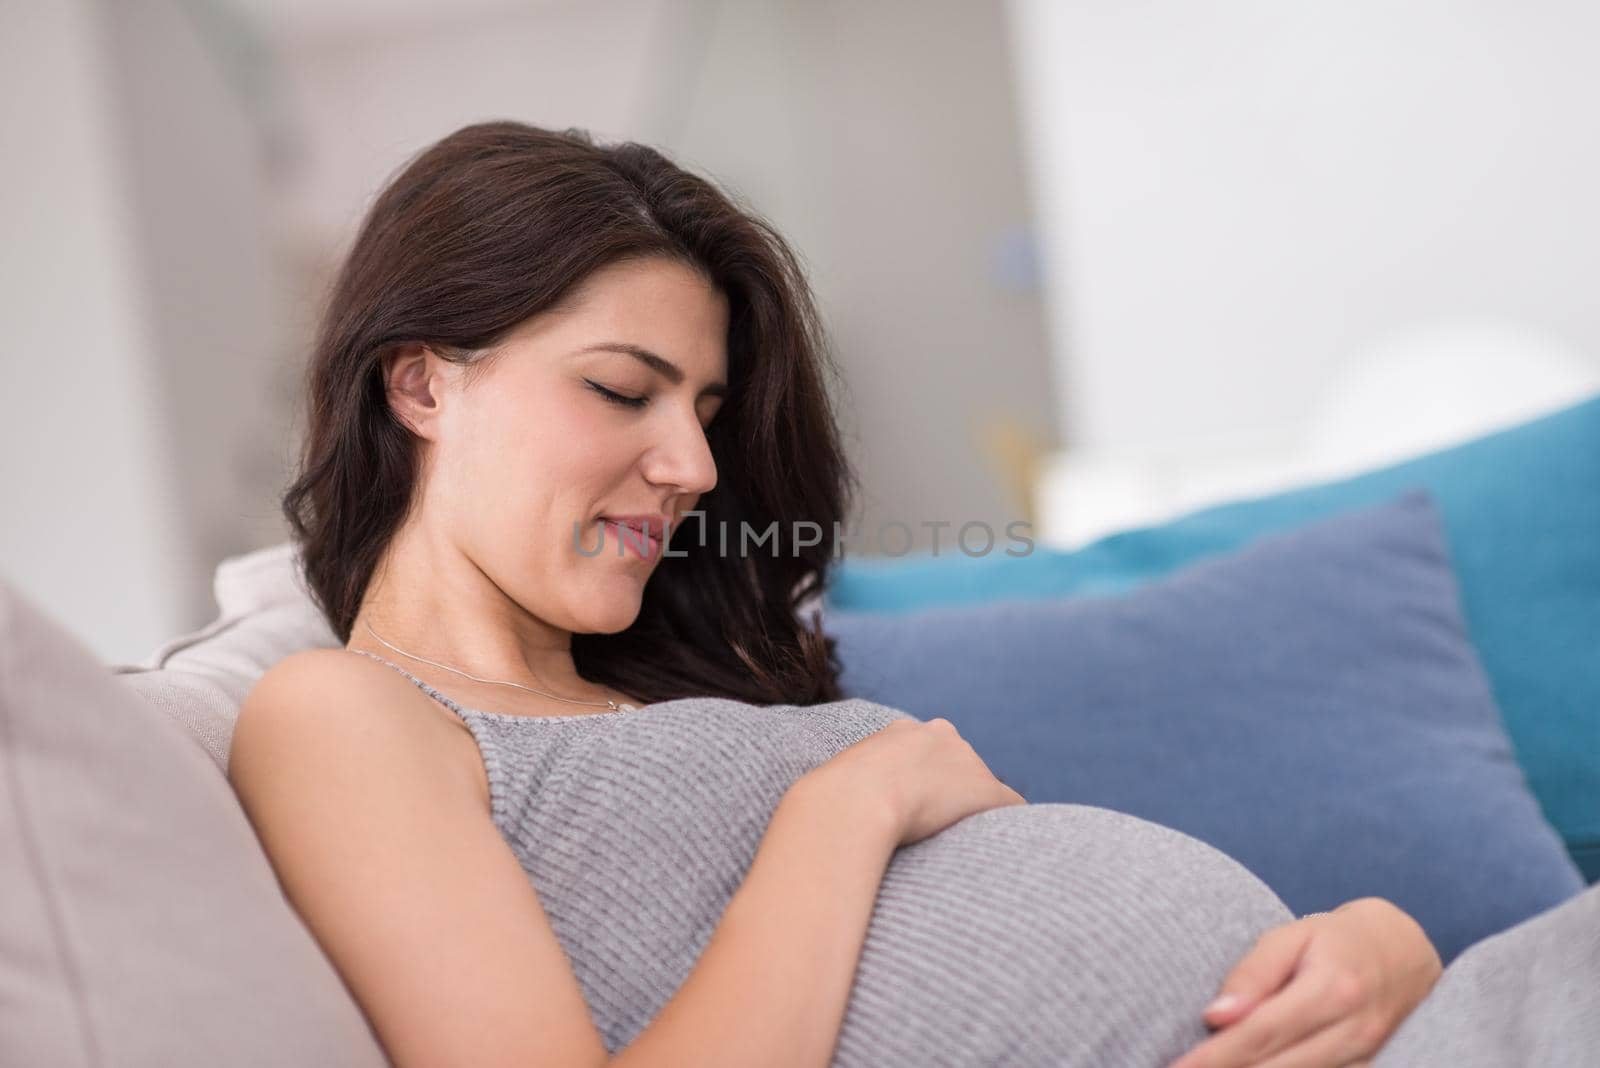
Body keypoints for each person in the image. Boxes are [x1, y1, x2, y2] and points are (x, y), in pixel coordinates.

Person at [228, 121, 1446, 1068]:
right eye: (619, 390)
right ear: (421, 388)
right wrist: (842, 813)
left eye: (704, 413)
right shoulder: (339, 716)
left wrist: (1386, 951)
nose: (694, 469)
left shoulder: (673, 679)